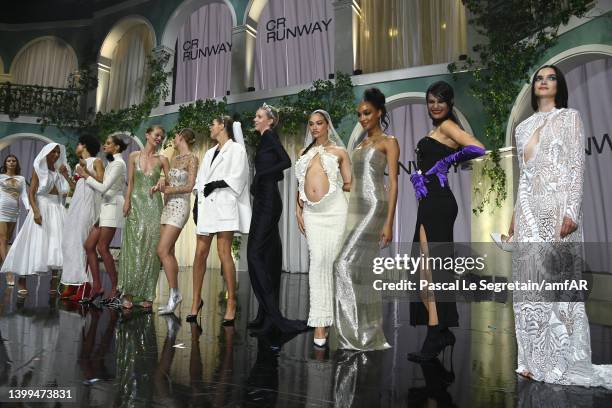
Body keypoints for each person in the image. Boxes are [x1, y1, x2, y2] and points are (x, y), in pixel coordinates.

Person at [506, 65, 612, 387]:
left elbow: (575, 167)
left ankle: (564, 358)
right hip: (528, 212)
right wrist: (513, 216)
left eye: (550, 78)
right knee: (528, 287)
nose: (544, 82)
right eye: (539, 78)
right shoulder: (522, 128)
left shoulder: (571, 118)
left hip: (557, 212)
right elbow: (524, 176)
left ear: (558, 86)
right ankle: (529, 360)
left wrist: (572, 211)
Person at [407, 81, 485, 361]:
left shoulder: (448, 127)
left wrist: (446, 162)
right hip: (430, 203)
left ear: (449, 104)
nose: (435, 105)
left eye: (440, 101)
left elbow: (478, 148)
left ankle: (435, 334)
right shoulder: (436, 130)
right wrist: (420, 176)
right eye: (431, 101)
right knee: (423, 270)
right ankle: (440, 330)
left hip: (439, 204)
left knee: (430, 271)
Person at [333, 88, 399, 351]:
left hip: (375, 208)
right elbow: (355, 181)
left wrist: (389, 222)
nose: (362, 118)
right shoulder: (360, 144)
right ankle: (361, 331)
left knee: (342, 263)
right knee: (359, 270)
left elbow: (393, 183)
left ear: (379, 112)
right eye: (359, 114)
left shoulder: (388, 141)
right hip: (357, 207)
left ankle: (358, 333)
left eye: (367, 113)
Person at [247, 103, 307, 334]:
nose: (255, 119)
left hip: (269, 202)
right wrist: (259, 180)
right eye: (256, 115)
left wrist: (260, 176)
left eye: (259, 116)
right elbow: (278, 169)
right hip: (264, 200)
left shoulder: (270, 136)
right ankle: (265, 317)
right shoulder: (263, 139)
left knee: (254, 255)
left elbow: (286, 162)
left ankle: (273, 316)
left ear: (270, 121)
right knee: (267, 257)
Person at [295, 110, 351, 347]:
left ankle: (341, 320)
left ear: (328, 124)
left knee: (335, 264)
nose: (315, 127)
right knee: (318, 261)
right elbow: (300, 185)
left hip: (335, 211)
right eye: (311, 124)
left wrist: (352, 218)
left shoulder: (339, 152)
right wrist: (297, 210)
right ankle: (320, 321)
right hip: (312, 214)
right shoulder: (303, 154)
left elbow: (348, 184)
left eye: (319, 123)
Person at [188, 116, 250, 324]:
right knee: (199, 254)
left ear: (223, 125)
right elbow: (200, 180)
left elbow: (239, 177)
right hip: (206, 208)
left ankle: (231, 301)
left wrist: (217, 183)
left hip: (224, 207)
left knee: (224, 253)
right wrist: (197, 201)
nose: (210, 127)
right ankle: (196, 300)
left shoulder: (237, 150)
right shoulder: (208, 153)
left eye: (212, 124)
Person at [1, 143, 74, 295]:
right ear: (46, 153)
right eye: (53, 151)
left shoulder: (59, 171)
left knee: (56, 245)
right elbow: (31, 193)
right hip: (42, 208)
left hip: (57, 210)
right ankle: (22, 279)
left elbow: (73, 189)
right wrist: (35, 211)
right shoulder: (39, 169)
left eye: (58, 152)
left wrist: (66, 175)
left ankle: (54, 282)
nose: (55, 154)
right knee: (33, 243)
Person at [119, 125, 169, 309]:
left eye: (161, 136)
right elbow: (130, 182)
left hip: (154, 206)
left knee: (151, 248)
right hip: (136, 204)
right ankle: (129, 293)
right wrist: (126, 202)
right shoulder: (133, 156)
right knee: (133, 248)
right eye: (157, 135)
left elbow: (170, 184)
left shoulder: (163, 160)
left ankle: (148, 294)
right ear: (147, 135)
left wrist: (164, 180)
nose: (159, 138)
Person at [76, 135, 127, 303]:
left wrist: (85, 175)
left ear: (117, 147)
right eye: (105, 143)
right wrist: (88, 172)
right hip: (104, 207)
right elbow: (101, 184)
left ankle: (115, 287)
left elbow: (104, 188)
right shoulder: (111, 163)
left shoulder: (119, 164)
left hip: (113, 206)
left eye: (109, 143)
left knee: (102, 247)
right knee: (89, 245)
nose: (105, 145)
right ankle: (97, 286)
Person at [153, 128, 199, 315]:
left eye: (175, 135)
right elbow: (170, 184)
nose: (173, 138)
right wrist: (162, 187)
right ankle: (174, 295)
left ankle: (175, 294)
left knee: (161, 250)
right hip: (168, 206)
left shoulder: (192, 158)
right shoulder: (174, 159)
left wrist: (168, 191)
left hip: (180, 206)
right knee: (168, 251)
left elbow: (189, 187)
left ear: (181, 137)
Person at [61, 134, 104, 301]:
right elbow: (76, 186)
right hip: (76, 206)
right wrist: (66, 176)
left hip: (89, 205)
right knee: (70, 242)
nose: (77, 146)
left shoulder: (97, 162)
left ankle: (86, 284)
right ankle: (73, 282)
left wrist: (85, 171)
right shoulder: (77, 164)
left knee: (82, 241)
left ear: (85, 145)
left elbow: (101, 182)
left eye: (79, 143)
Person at [0, 155, 28, 287]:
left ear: (17, 163)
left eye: (13, 161)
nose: (11, 163)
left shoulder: (21, 179)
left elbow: (24, 195)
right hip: (1, 210)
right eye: (9, 161)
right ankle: (9, 272)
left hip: (14, 212)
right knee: (3, 240)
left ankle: (3, 265)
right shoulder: (0, 177)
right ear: (5, 163)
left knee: (6, 241)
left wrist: (29, 208)